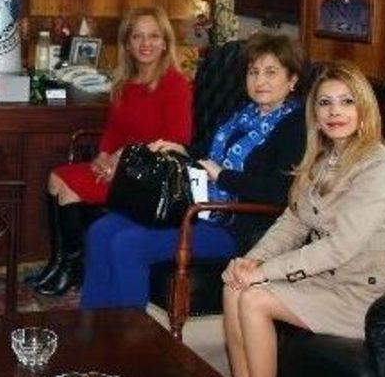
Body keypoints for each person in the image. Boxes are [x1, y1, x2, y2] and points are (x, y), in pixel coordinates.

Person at [221, 62, 385, 377]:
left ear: (364, 108)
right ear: (315, 112)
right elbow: (293, 221)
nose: (335, 111)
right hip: (330, 279)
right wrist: (252, 261)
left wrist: (264, 273)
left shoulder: (379, 166)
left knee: (254, 299)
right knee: (234, 285)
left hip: (371, 293)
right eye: (325, 103)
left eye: (347, 101)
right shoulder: (322, 158)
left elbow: (339, 247)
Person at [81, 33, 308, 309]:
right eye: (253, 72)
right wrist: (180, 149)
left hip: (237, 227)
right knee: (101, 230)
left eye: (271, 72)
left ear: (292, 80)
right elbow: (205, 150)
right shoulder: (243, 113)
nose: (260, 81)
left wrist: (222, 175)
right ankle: (95, 326)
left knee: (128, 244)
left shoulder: (297, 126)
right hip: (199, 209)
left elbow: (280, 191)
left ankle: (133, 334)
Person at [30, 7, 192, 297]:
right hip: (120, 168)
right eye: (137, 36)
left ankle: (73, 269)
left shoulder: (175, 84)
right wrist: (104, 156)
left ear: (165, 42)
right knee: (57, 177)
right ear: (127, 44)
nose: (145, 43)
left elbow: (177, 140)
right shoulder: (125, 82)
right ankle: (61, 263)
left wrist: (122, 159)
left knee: (68, 185)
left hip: (149, 179)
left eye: (153, 36)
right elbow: (113, 131)